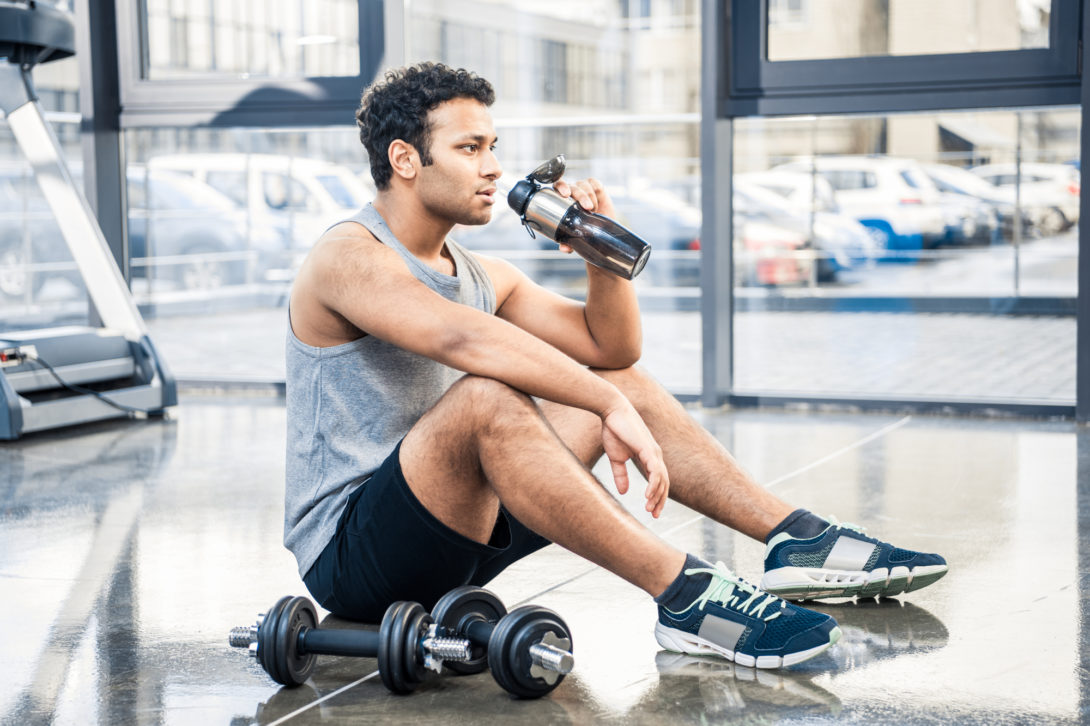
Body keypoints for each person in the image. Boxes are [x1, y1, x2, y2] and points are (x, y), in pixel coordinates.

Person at [283, 62, 947, 669]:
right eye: (469, 148)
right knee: (488, 398)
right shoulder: (348, 256)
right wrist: (605, 407)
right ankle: (687, 595)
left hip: (456, 531)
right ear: (404, 159)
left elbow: (611, 350)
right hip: (352, 555)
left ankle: (795, 538)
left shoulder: (483, 274)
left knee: (611, 382)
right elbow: (464, 343)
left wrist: (598, 254)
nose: (492, 168)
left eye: (493, 147)